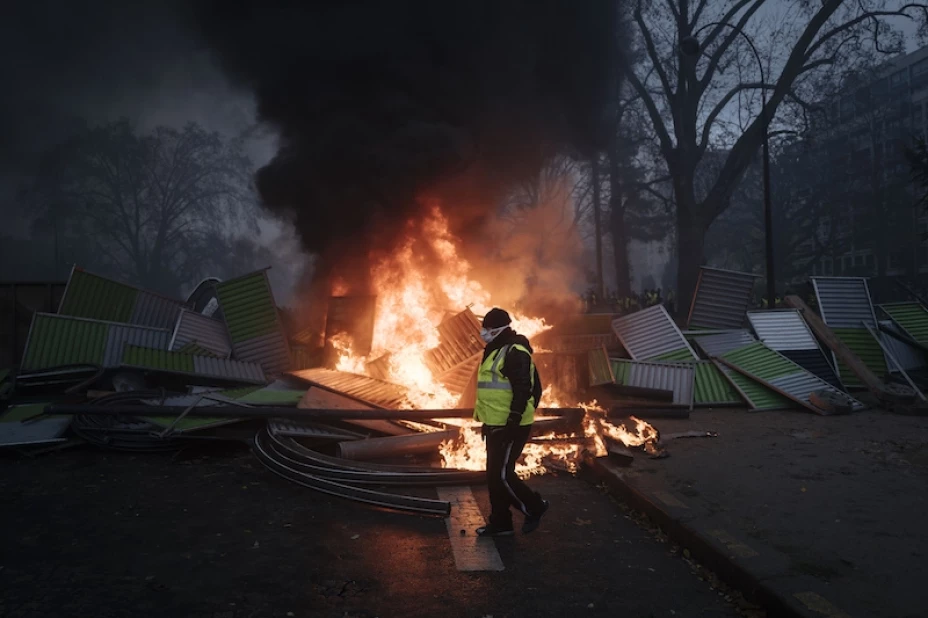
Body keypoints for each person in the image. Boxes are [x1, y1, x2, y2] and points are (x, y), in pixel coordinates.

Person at [473, 307, 549, 536]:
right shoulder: (495, 349)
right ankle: (501, 523)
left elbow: (525, 389)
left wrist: (514, 421)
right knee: (493, 476)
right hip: (495, 424)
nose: (483, 332)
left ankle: (535, 507)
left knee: (503, 475)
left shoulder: (516, 351)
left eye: (487, 328)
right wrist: (487, 422)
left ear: (498, 329)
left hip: (510, 426)